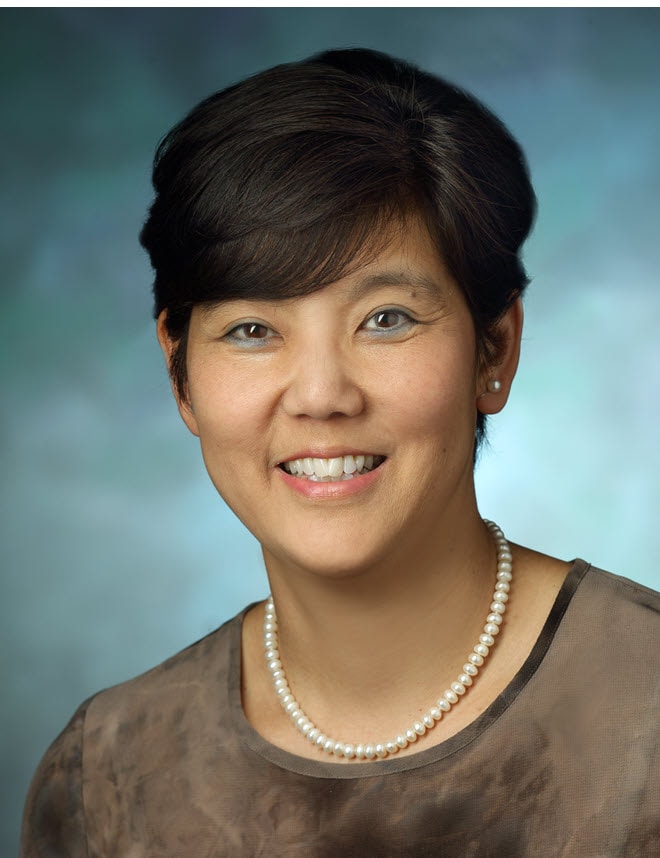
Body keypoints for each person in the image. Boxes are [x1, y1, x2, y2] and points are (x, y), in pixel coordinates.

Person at [21, 48, 658, 857]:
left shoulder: (648, 714)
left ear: (494, 351)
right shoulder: (106, 778)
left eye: (386, 318)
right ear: (180, 374)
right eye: (252, 331)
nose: (321, 394)